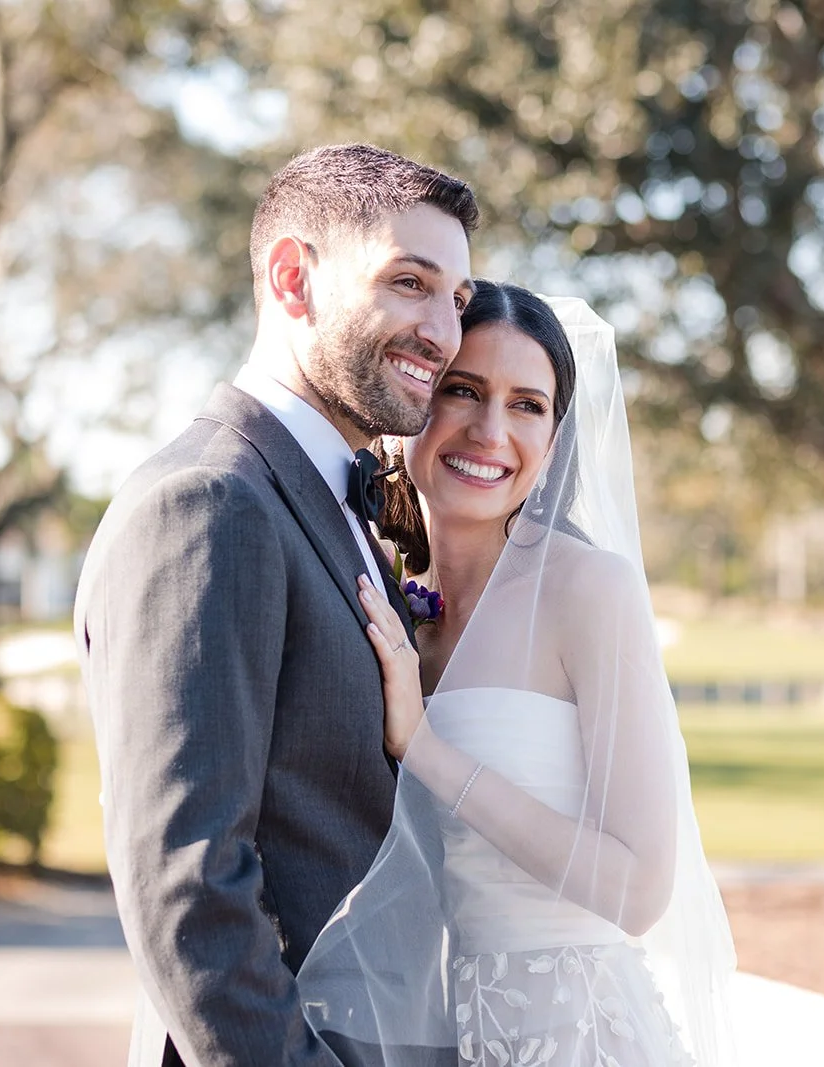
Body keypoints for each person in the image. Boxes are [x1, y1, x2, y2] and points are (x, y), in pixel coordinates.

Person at [73, 143, 477, 1067]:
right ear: (293, 278)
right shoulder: (209, 502)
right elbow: (190, 885)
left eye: (456, 299)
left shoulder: (327, 497)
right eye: (409, 282)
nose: (444, 333)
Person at [298, 284, 740, 1066]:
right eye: (462, 390)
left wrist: (427, 749)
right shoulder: (386, 600)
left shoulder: (589, 590)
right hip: (436, 1033)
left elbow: (639, 891)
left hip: (579, 1037)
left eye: (526, 405)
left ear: (556, 439)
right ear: (411, 400)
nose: (490, 431)